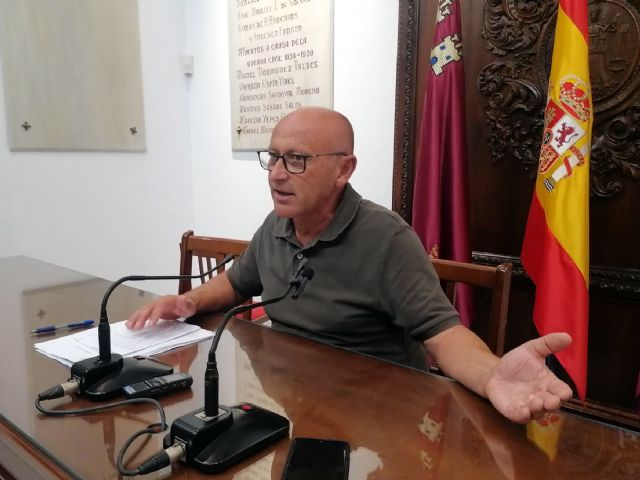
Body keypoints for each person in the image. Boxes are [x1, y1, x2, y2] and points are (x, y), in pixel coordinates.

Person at [127, 106, 573, 424]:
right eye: (273, 156)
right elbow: (237, 282)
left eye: (296, 159)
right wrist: (187, 301)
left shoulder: (387, 239)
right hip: (292, 398)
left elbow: (443, 335)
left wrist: (493, 372)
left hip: (373, 412)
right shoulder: (278, 223)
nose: (276, 173)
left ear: (344, 169)